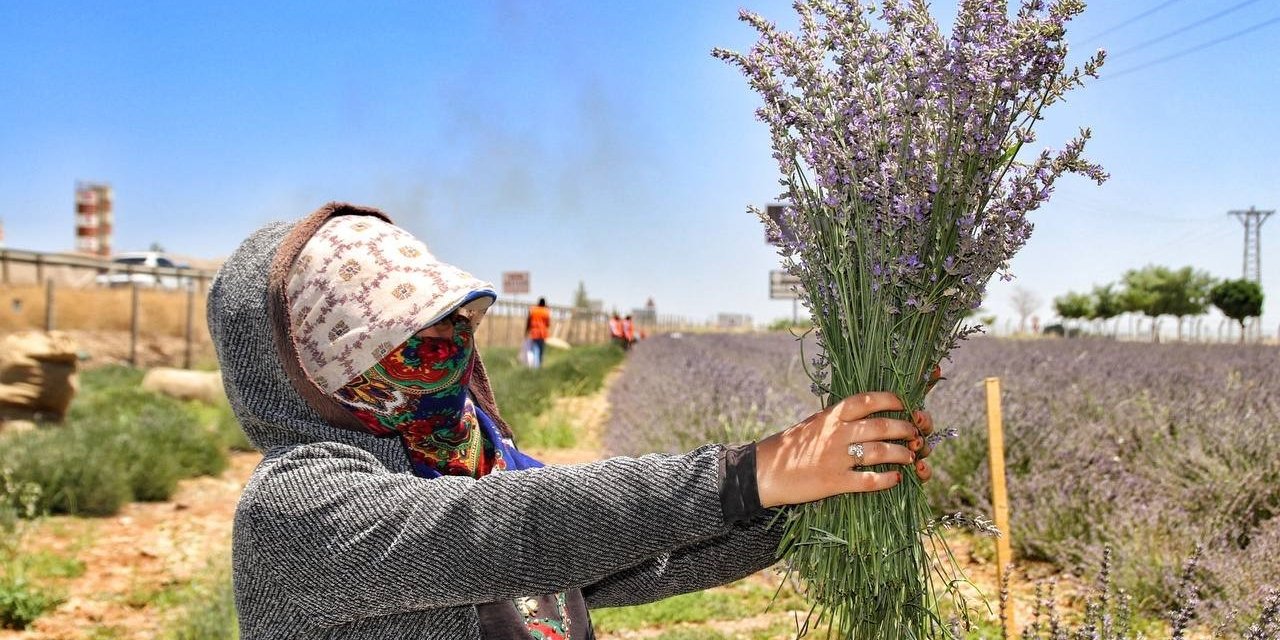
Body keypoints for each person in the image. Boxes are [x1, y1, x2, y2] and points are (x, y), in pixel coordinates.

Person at [209, 203, 935, 640]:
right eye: (402, 340)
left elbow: (629, 560)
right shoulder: (294, 508)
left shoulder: (475, 462)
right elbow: (514, 531)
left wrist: (815, 498)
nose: (445, 354)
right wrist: (751, 473)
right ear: (304, 366)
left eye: (453, 326)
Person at [525, 297, 551, 369]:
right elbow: (548, 324)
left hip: (534, 333)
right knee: (541, 350)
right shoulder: (546, 311)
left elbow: (529, 322)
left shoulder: (533, 310)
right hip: (543, 333)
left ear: (538, 303)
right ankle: (539, 366)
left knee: (536, 349)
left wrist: (526, 330)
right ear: (544, 304)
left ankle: (536, 367)